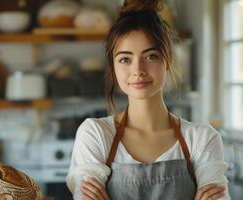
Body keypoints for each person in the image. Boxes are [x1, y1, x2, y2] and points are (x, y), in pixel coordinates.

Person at [66, 0, 230, 199]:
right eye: (125, 59)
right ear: (113, 66)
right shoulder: (96, 134)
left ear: (168, 60)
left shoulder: (202, 139)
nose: (138, 71)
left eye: (150, 56)